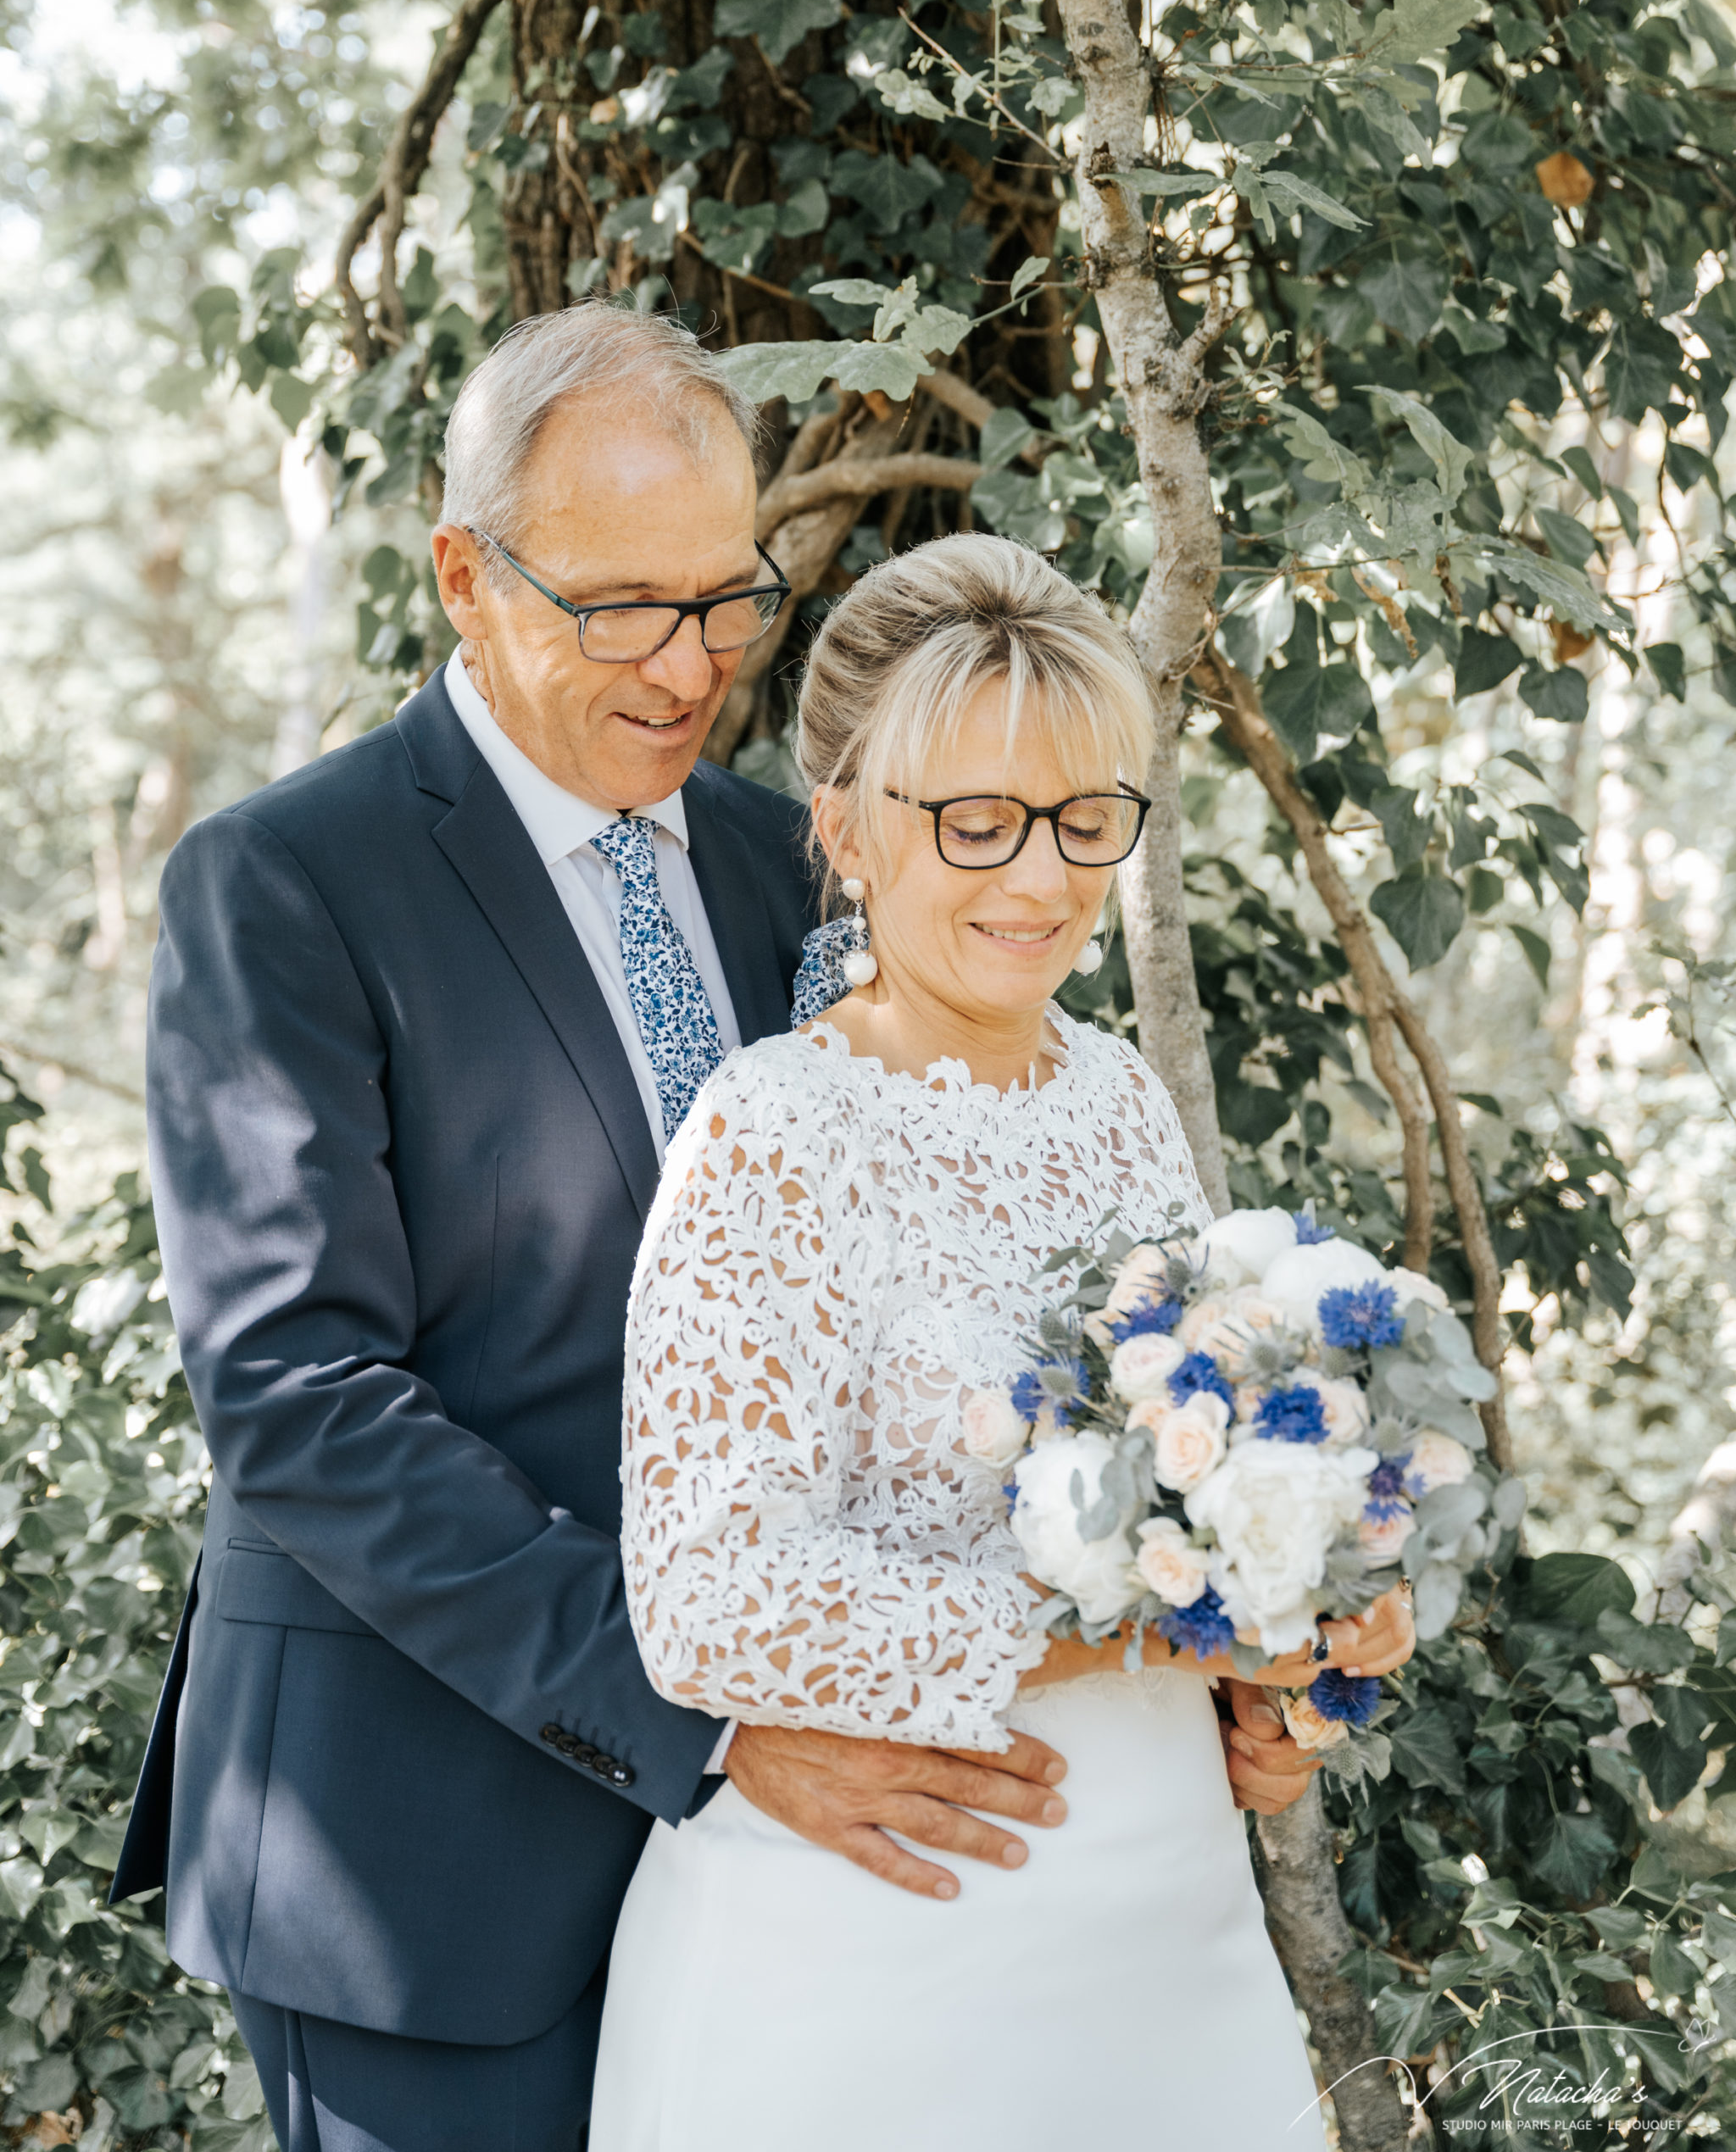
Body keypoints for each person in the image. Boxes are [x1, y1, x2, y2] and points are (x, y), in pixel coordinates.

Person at [111, 303, 1324, 2151]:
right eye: (621, 608)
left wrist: (1219, 1621)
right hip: (434, 1838)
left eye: (723, 598)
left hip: (844, 1870)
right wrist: (710, 1719)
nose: (687, 666)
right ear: (465, 572)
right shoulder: (285, 882)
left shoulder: (808, 851)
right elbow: (296, 1394)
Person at [591, 534, 1416, 2151]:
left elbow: (1203, 1475)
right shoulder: (770, 1134)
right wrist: (1132, 1620)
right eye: (974, 821)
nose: (1039, 880)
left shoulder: (1122, 1105)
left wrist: (1299, 1638)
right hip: (874, 1964)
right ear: (845, 828)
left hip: (1169, 1946)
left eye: (1083, 817)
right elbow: (706, 1597)